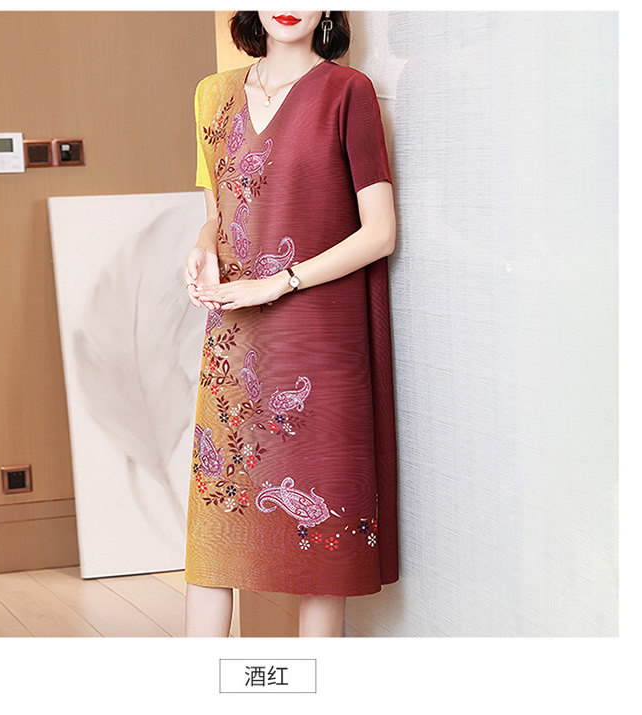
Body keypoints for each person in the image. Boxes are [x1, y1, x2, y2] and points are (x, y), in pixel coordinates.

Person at [183, 10, 399, 638]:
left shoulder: (348, 91)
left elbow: (380, 232)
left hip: (322, 340)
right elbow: (221, 208)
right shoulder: (212, 95)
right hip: (236, 338)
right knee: (215, 530)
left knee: (322, 547)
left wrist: (279, 281)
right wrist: (203, 246)